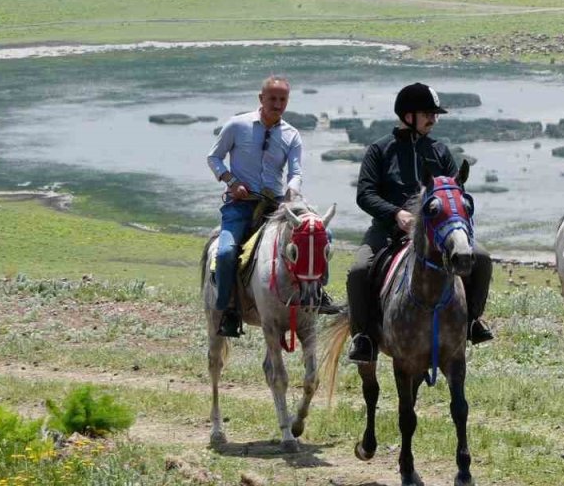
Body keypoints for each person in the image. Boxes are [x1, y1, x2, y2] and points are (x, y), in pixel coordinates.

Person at [344, 83, 495, 364]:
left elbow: (455, 191)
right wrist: (395, 214)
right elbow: (364, 194)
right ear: (407, 115)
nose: (433, 119)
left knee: (482, 258)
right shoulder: (379, 150)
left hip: (436, 234)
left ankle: (473, 321)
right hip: (389, 231)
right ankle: (363, 337)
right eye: (428, 113)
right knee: (358, 270)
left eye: (435, 114)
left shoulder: (439, 151)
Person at [206, 75, 337, 338]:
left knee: (322, 236)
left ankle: (317, 293)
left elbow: (296, 171)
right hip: (240, 205)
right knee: (225, 253)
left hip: (276, 206)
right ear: (261, 99)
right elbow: (214, 158)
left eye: (282, 99)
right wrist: (231, 181)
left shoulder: (291, 134)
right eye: (272, 99)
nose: (277, 104)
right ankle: (228, 309)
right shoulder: (237, 125)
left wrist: (292, 192)